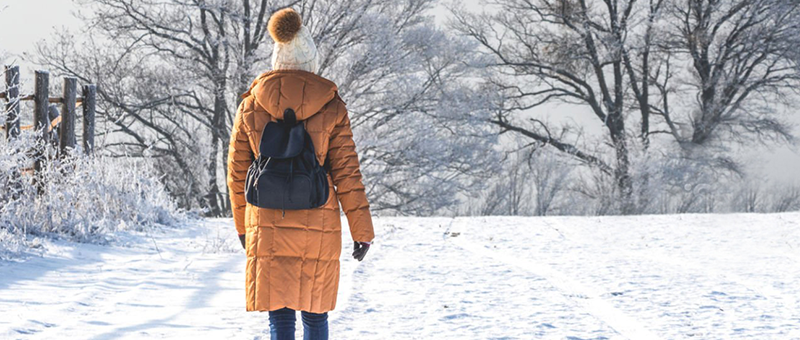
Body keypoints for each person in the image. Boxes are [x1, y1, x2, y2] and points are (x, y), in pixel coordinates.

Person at [226, 7, 375, 340]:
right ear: (311, 63)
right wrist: (362, 231)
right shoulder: (332, 106)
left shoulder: (251, 105)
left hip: (266, 220)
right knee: (314, 313)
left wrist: (241, 228)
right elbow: (348, 175)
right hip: (317, 221)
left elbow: (237, 173)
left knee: (279, 316)